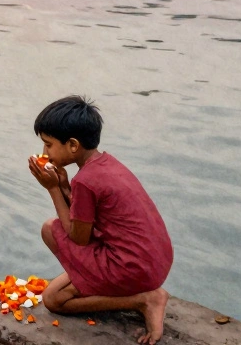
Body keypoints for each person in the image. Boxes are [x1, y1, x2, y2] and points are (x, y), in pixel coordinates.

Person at [30, 96, 173, 344]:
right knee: (56, 242)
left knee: (53, 297)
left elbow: (78, 236)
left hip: (130, 269)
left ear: (73, 145)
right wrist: (65, 187)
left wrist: (52, 189)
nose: (45, 152)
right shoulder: (107, 164)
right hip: (154, 262)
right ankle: (98, 280)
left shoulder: (86, 180)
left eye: (49, 145)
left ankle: (143, 300)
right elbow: (91, 216)